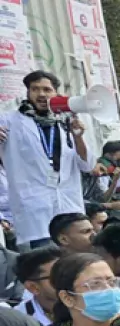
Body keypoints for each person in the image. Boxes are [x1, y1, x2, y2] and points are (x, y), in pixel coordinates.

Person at [0, 71, 93, 249]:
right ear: (27, 93)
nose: (41, 94)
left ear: (55, 93)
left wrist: (79, 137)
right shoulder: (8, 121)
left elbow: (87, 165)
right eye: (35, 89)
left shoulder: (67, 121)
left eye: (47, 89)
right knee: (45, 263)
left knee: (75, 261)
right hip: (34, 206)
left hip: (68, 204)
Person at [15, 245, 60, 325]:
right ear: (33, 287)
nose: (68, 279)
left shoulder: (85, 304)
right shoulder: (18, 321)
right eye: (57, 276)